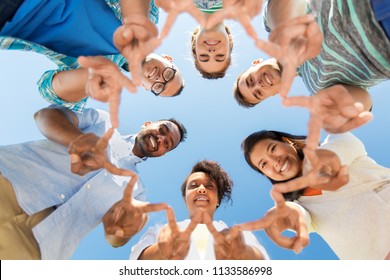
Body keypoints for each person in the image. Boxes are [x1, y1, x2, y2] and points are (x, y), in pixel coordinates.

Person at [0, 105, 187, 259]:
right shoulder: (102, 121)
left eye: (167, 144)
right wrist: (78, 140)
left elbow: (115, 239)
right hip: (10, 181)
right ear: (147, 124)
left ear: (162, 154)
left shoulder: (137, 192)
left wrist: (123, 230)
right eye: (162, 130)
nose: (161, 139)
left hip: (38, 247)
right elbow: (45, 116)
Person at [0, 0, 185, 126]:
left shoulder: (100, 81)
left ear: (146, 87)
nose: (160, 78)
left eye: (159, 87)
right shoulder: (149, 17)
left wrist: (88, 79)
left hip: (10, 20)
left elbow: (47, 89)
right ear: (168, 59)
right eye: (169, 74)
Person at [234, 0, 390, 136]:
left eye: (250, 81)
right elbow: (363, 99)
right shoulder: (318, 90)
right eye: (259, 93)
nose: (258, 85)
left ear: (256, 62)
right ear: (276, 93)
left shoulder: (272, 25)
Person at [240, 130, 390, 259]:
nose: (274, 161)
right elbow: (298, 215)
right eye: (263, 164)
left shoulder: (336, 142)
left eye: (272, 149)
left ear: (287, 142)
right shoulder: (300, 205)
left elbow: (337, 152)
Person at [130, 160, 269, 260]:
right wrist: (161, 250)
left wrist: (243, 253)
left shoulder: (240, 235)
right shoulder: (159, 230)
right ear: (185, 199)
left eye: (209, 186)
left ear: (218, 200)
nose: (201, 189)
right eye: (193, 186)